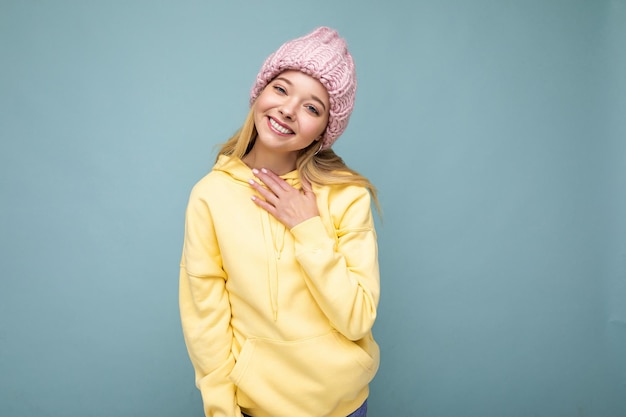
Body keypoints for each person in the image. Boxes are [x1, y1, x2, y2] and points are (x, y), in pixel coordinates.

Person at [179, 26, 380, 417]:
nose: (288, 109)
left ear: (325, 130)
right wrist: (221, 409)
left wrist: (308, 228)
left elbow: (357, 318)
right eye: (282, 89)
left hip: (343, 407)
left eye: (312, 107)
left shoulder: (346, 195)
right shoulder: (211, 195)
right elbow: (205, 320)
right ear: (260, 92)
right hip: (257, 409)